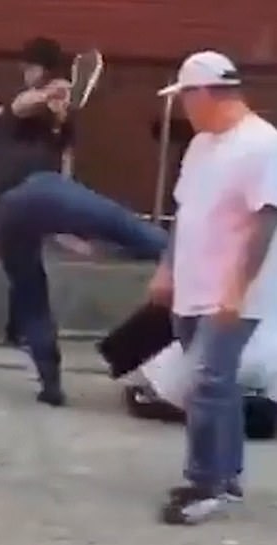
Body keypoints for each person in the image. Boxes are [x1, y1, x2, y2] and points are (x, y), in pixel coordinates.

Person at [0, 40, 167, 406]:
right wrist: (50, 92)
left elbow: (61, 177)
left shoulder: (54, 133)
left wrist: (70, 232)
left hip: (0, 217)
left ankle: (50, 384)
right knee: (123, 225)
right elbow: (20, 105)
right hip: (32, 194)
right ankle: (181, 253)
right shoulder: (3, 115)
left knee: (30, 293)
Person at [148, 50, 277, 525]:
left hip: (236, 292)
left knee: (208, 385)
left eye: (185, 96)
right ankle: (229, 476)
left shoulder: (263, 145)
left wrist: (237, 289)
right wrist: (167, 267)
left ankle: (206, 484)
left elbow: (266, 221)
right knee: (215, 388)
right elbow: (185, 212)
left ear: (204, 93)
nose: (183, 105)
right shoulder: (202, 145)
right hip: (192, 286)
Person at [0, 37, 74, 350]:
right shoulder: (12, 106)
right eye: (26, 67)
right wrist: (48, 94)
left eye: (34, 67)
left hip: (32, 194)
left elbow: (63, 146)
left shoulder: (56, 117)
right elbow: (20, 106)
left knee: (26, 261)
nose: (28, 72)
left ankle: (18, 330)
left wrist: (60, 113)